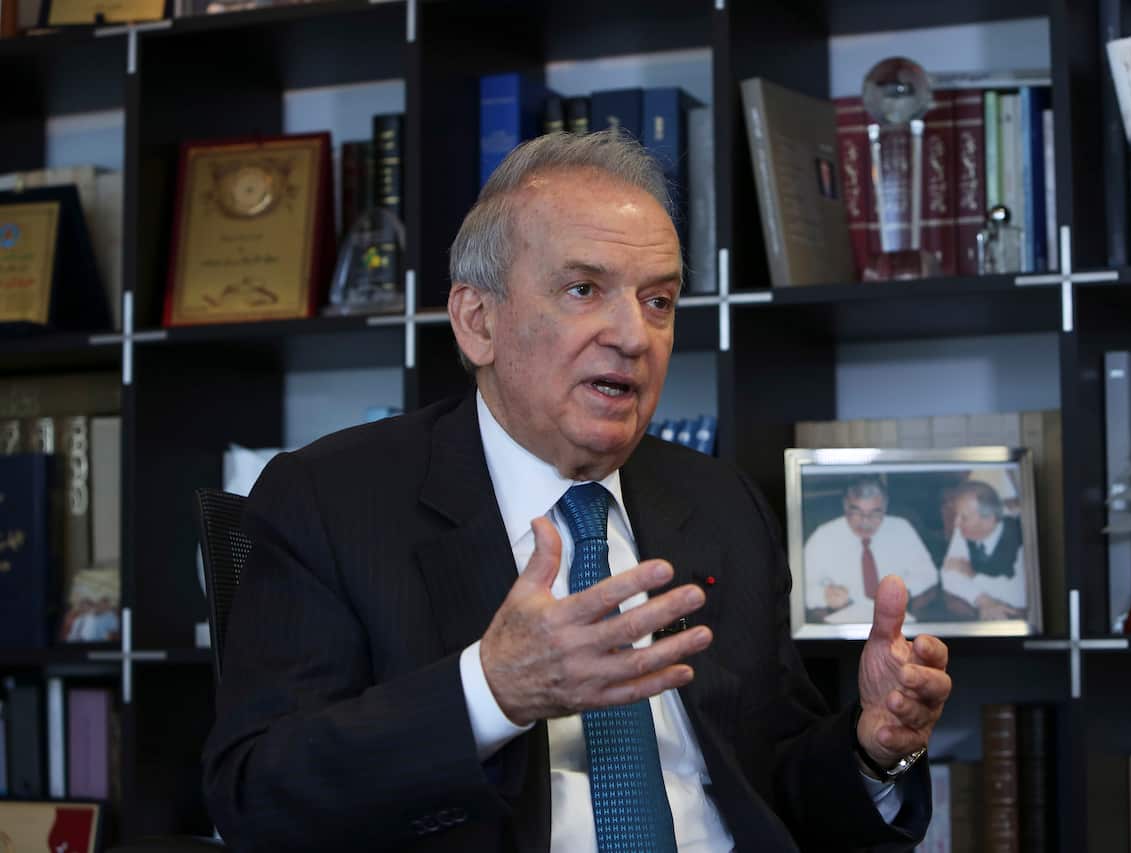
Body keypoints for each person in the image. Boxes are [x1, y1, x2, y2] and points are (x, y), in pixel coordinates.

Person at [202, 132, 952, 852]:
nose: (633, 335)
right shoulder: (331, 501)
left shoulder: (721, 501)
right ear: (477, 321)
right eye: (583, 288)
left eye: (658, 301)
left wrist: (871, 748)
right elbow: (258, 797)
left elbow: (769, 781)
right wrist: (491, 692)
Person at [803, 477, 941, 624]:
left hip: (895, 621)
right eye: (857, 512)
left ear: (885, 508)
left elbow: (928, 574)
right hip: (845, 623)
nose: (865, 521)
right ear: (845, 506)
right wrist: (823, 595)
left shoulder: (902, 529)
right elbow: (798, 586)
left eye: (875, 513)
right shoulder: (823, 537)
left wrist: (903, 590)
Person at [940, 480, 1027, 620]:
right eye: (957, 515)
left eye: (964, 517)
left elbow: (1020, 596)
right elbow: (949, 576)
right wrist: (984, 601)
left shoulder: (1022, 534)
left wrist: (973, 575)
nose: (956, 523)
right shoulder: (964, 530)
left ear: (989, 519)